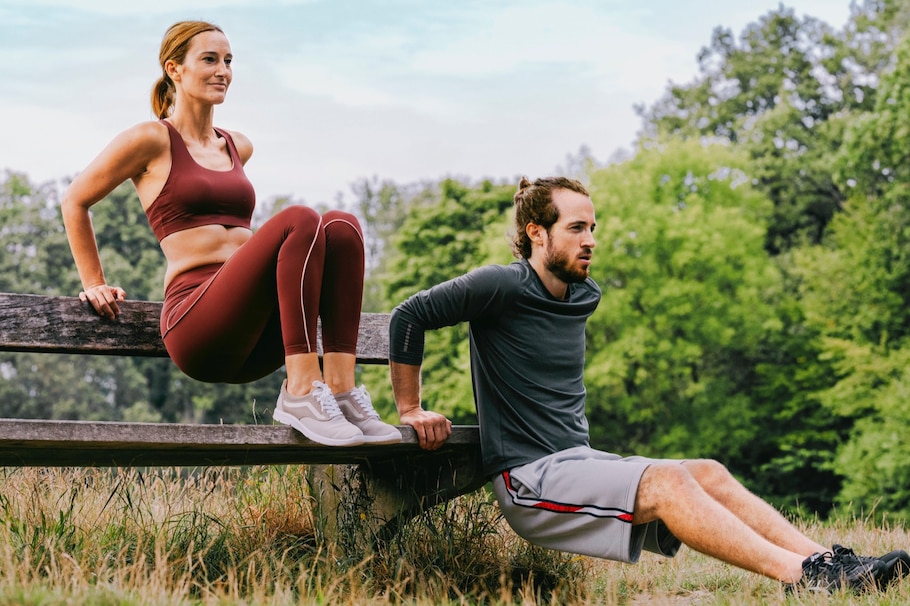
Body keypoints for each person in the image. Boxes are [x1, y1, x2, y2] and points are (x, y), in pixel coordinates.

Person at [387, 175, 910, 593]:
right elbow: (410, 316)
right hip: (529, 479)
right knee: (668, 482)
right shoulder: (500, 285)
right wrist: (411, 408)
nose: (590, 240)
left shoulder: (581, 294)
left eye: (593, 227)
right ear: (535, 233)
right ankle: (806, 580)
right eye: (575, 228)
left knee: (706, 471)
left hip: (576, 459)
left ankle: (827, 560)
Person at [61, 20, 400, 447]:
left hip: (255, 333)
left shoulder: (238, 145)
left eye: (228, 61)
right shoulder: (150, 139)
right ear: (174, 69)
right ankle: (300, 392)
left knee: (342, 226)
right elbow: (75, 200)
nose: (223, 70)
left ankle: (339, 391)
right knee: (299, 219)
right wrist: (93, 283)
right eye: (209, 60)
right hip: (198, 323)